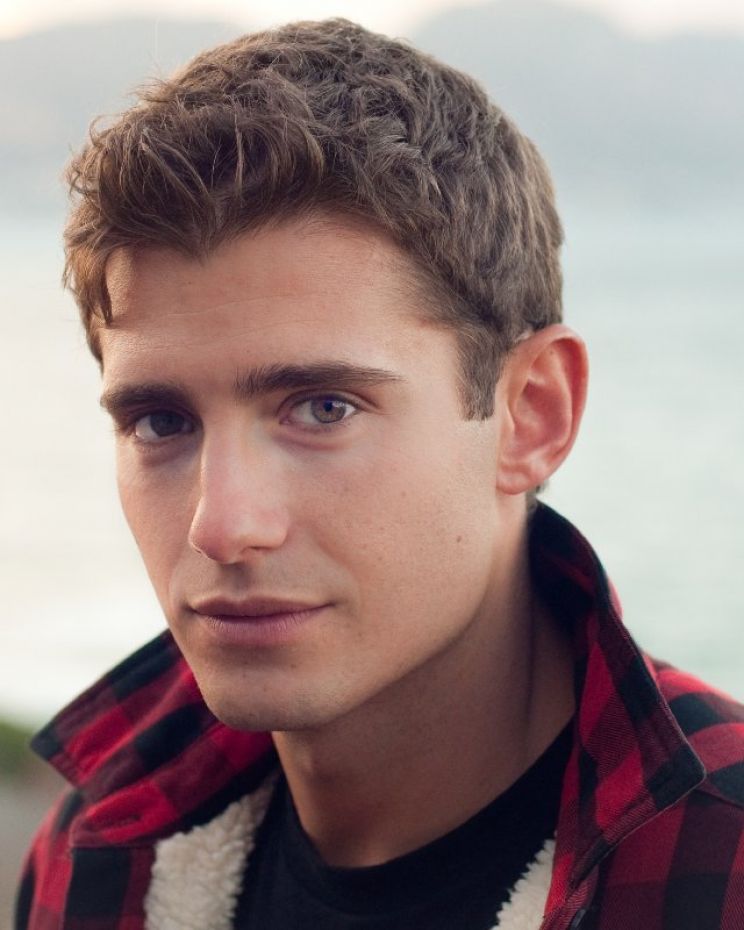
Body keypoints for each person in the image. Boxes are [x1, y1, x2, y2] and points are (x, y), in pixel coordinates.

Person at [15, 18, 744, 930]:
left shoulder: (721, 861)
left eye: (323, 408)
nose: (222, 524)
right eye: (161, 422)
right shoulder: (97, 858)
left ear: (533, 414)